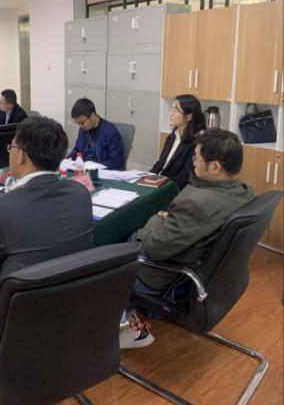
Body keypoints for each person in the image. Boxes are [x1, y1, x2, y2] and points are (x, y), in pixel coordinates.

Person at [0, 116, 93, 335]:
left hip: (14, 319)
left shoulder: (1, 208)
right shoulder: (81, 193)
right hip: (68, 304)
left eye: (12, 147)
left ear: (21, 155)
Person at [120, 129, 255, 349]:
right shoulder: (245, 191)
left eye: (197, 158)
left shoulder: (197, 203)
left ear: (215, 167)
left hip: (162, 279)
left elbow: (152, 248)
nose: (193, 163)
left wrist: (157, 219)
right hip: (210, 276)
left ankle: (131, 331)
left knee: (111, 260)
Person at [149, 94, 205, 189]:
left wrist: (158, 188)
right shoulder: (172, 137)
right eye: (172, 109)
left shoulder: (196, 143)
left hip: (172, 189)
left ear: (188, 117)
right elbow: (160, 165)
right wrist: (145, 178)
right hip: (158, 184)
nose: (171, 113)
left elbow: (184, 178)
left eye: (176, 110)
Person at [69, 98, 125, 170]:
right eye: (78, 123)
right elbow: (78, 149)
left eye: (82, 122)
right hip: (83, 169)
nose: (80, 126)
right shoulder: (83, 129)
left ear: (92, 116)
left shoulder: (110, 132)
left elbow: (117, 163)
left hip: (100, 172)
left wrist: (94, 166)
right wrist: (70, 158)